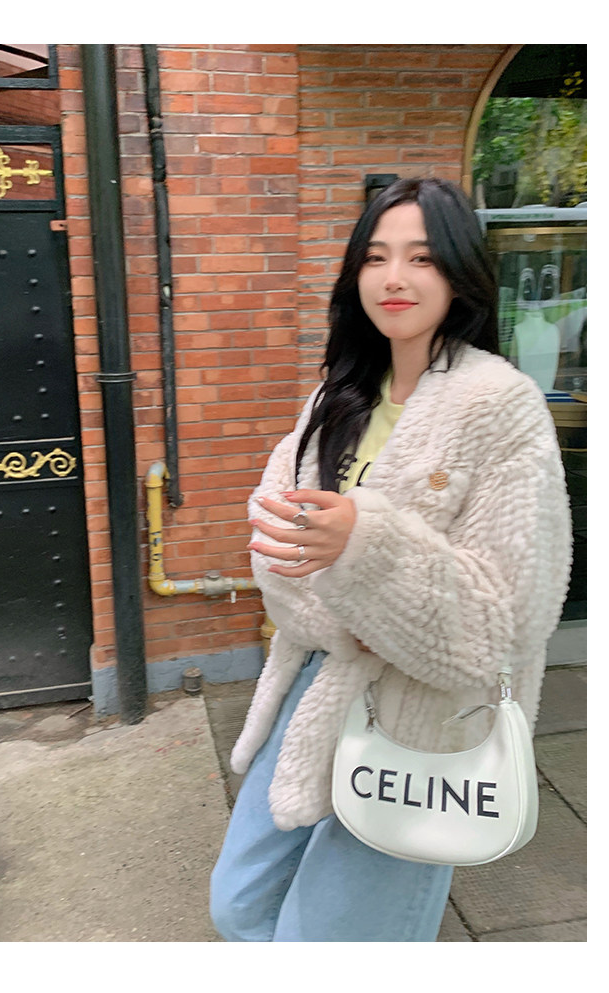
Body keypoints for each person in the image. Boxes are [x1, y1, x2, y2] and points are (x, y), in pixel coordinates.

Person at [209, 177, 572, 942]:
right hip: (313, 682)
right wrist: (352, 619)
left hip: (424, 721)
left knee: (334, 941)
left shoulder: (499, 405)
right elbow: (273, 545)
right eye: (376, 257)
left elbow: (504, 622)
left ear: (460, 275)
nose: (394, 278)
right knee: (239, 904)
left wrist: (364, 549)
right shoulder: (338, 397)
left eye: (422, 258)